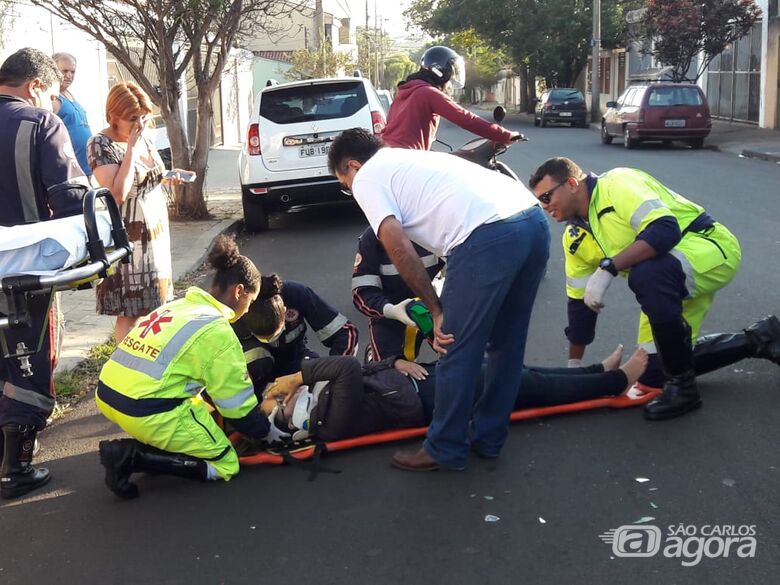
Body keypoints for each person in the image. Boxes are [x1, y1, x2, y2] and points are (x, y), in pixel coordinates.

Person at [328, 128, 550, 472]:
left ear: (353, 166)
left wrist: (435, 309)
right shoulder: (411, 159)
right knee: (507, 343)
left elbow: (397, 245)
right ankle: (489, 439)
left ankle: (445, 446)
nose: (350, 191)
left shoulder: (368, 178)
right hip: (531, 220)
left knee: (453, 342)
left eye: (345, 183)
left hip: (487, 234)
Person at [257, 314, 780, 447]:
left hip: (427, 384)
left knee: (520, 375)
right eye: (286, 403)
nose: (291, 397)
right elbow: (346, 368)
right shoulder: (331, 422)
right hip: (437, 399)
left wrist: (392, 363)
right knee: (525, 386)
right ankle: (616, 379)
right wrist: (296, 374)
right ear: (295, 418)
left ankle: (600, 371)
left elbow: (363, 367)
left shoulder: (326, 409)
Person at [528, 157, 742, 421]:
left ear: (572, 184)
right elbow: (579, 307)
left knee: (647, 274)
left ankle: (684, 390)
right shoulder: (574, 239)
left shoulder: (618, 184)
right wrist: (575, 369)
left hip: (708, 249)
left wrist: (609, 266)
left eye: (547, 196)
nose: (544, 206)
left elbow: (664, 230)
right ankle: (760, 339)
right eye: (540, 200)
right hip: (666, 284)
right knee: (653, 371)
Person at [96, 236, 283, 499]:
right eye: (250, 302)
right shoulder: (217, 330)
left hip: (108, 394)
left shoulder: (178, 306)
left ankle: (150, 445)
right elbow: (236, 407)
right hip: (144, 409)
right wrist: (267, 432)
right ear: (239, 291)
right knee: (225, 462)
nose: (247, 309)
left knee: (198, 415)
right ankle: (133, 457)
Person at [0, 47, 89, 499]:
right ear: (36, 85)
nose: (54, 103)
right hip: (24, 275)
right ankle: (15, 468)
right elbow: (72, 199)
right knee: (28, 358)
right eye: (52, 93)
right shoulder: (39, 125)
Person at [87, 82, 173, 343]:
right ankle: (125, 369)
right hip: (129, 235)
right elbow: (117, 193)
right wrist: (132, 149)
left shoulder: (145, 136)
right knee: (131, 309)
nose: (140, 123)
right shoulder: (100, 144)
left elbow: (150, 177)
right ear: (113, 116)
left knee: (155, 305)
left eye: (144, 116)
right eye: (132, 118)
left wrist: (171, 177)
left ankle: (150, 361)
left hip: (156, 233)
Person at [232, 274, 359, 393]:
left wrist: (330, 375)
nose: (271, 340)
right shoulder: (234, 316)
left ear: (284, 310)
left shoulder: (296, 295)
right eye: (264, 338)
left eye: (275, 334)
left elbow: (346, 332)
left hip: (296, 360)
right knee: (257, 358)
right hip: (257, 374)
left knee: (323, 383)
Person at [381, 45, 521, 150]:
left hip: (387, 153)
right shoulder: (428, 93)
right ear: (441, 71)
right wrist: (505, 135)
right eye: (451, 73)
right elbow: (466, 119)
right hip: (408, 160)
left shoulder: (405, 90)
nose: (450, 82)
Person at [352, 226, 444, 362]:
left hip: (431, 309)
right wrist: (392, 310)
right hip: (388, 315)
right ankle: (375, 361)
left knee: (456, 357)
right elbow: (362, 292)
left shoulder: (437, 226)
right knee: (389, 374)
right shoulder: (373, 236)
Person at [52, 52, 93, 178]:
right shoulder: (53, 98)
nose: (69, 75)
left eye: (72, 71)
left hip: (86, 167)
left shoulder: (69, 95)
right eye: (64, 71)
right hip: (70, 172)